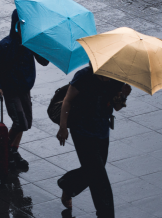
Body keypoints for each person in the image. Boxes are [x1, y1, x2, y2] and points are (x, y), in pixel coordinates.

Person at [55, 64, 131, 218]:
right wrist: (63, 127)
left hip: (102, 131)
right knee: (99, 177)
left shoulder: (115, 78)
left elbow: (116, 107)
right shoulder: (83, 76)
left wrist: (123, 96)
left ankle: (68, 184)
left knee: (95, 169)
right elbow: (67, 101)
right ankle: (106, 214)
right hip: (82, 131)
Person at [0, 9, 49, 168]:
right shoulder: (5, 45)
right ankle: (4, 150)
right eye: (22, 27)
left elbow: (44, 61)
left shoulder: (30, 44)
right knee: (20, 122)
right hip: (11, 90)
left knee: (26, 122)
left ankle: (13, 150)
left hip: (25, 88)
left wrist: (43, 45)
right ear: (15, 27)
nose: (25, 31)